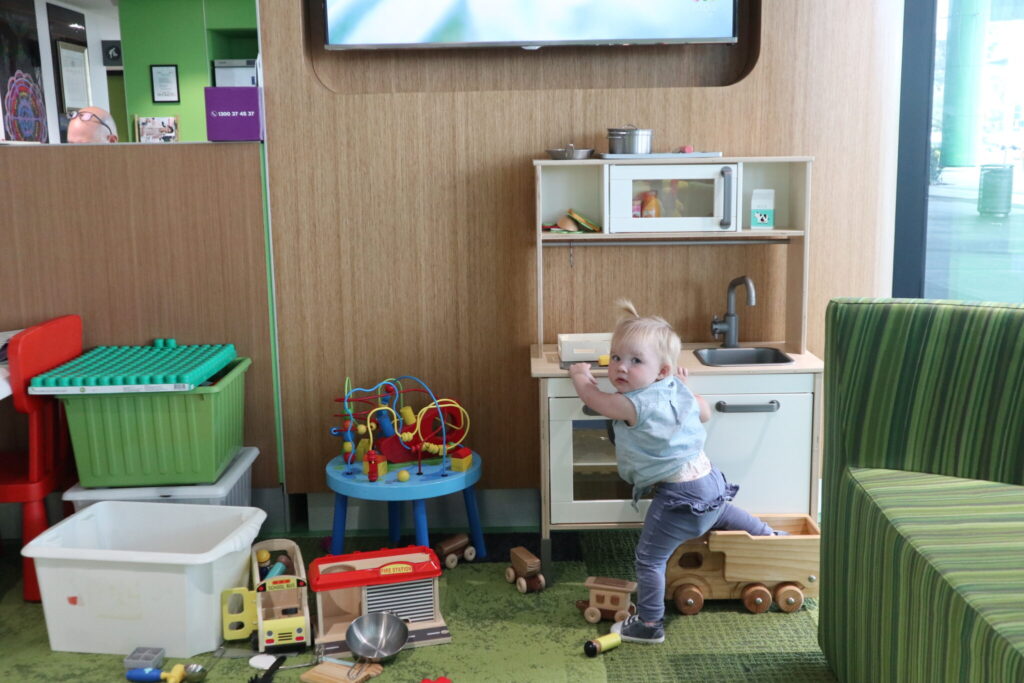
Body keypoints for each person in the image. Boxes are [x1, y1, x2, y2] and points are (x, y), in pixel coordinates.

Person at [569, 299, 781, 645]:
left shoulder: (630, 403)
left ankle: (650, 624)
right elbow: (705, 413)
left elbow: (595, 400)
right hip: (710, 480)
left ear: (661, 371)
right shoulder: (674, 389)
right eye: (617, 357)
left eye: (636, 361)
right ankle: (770, 538)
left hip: (680, 494)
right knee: (721, 513)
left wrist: (581, 376)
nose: (622, 368)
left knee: (650, 558)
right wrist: (685, 387)